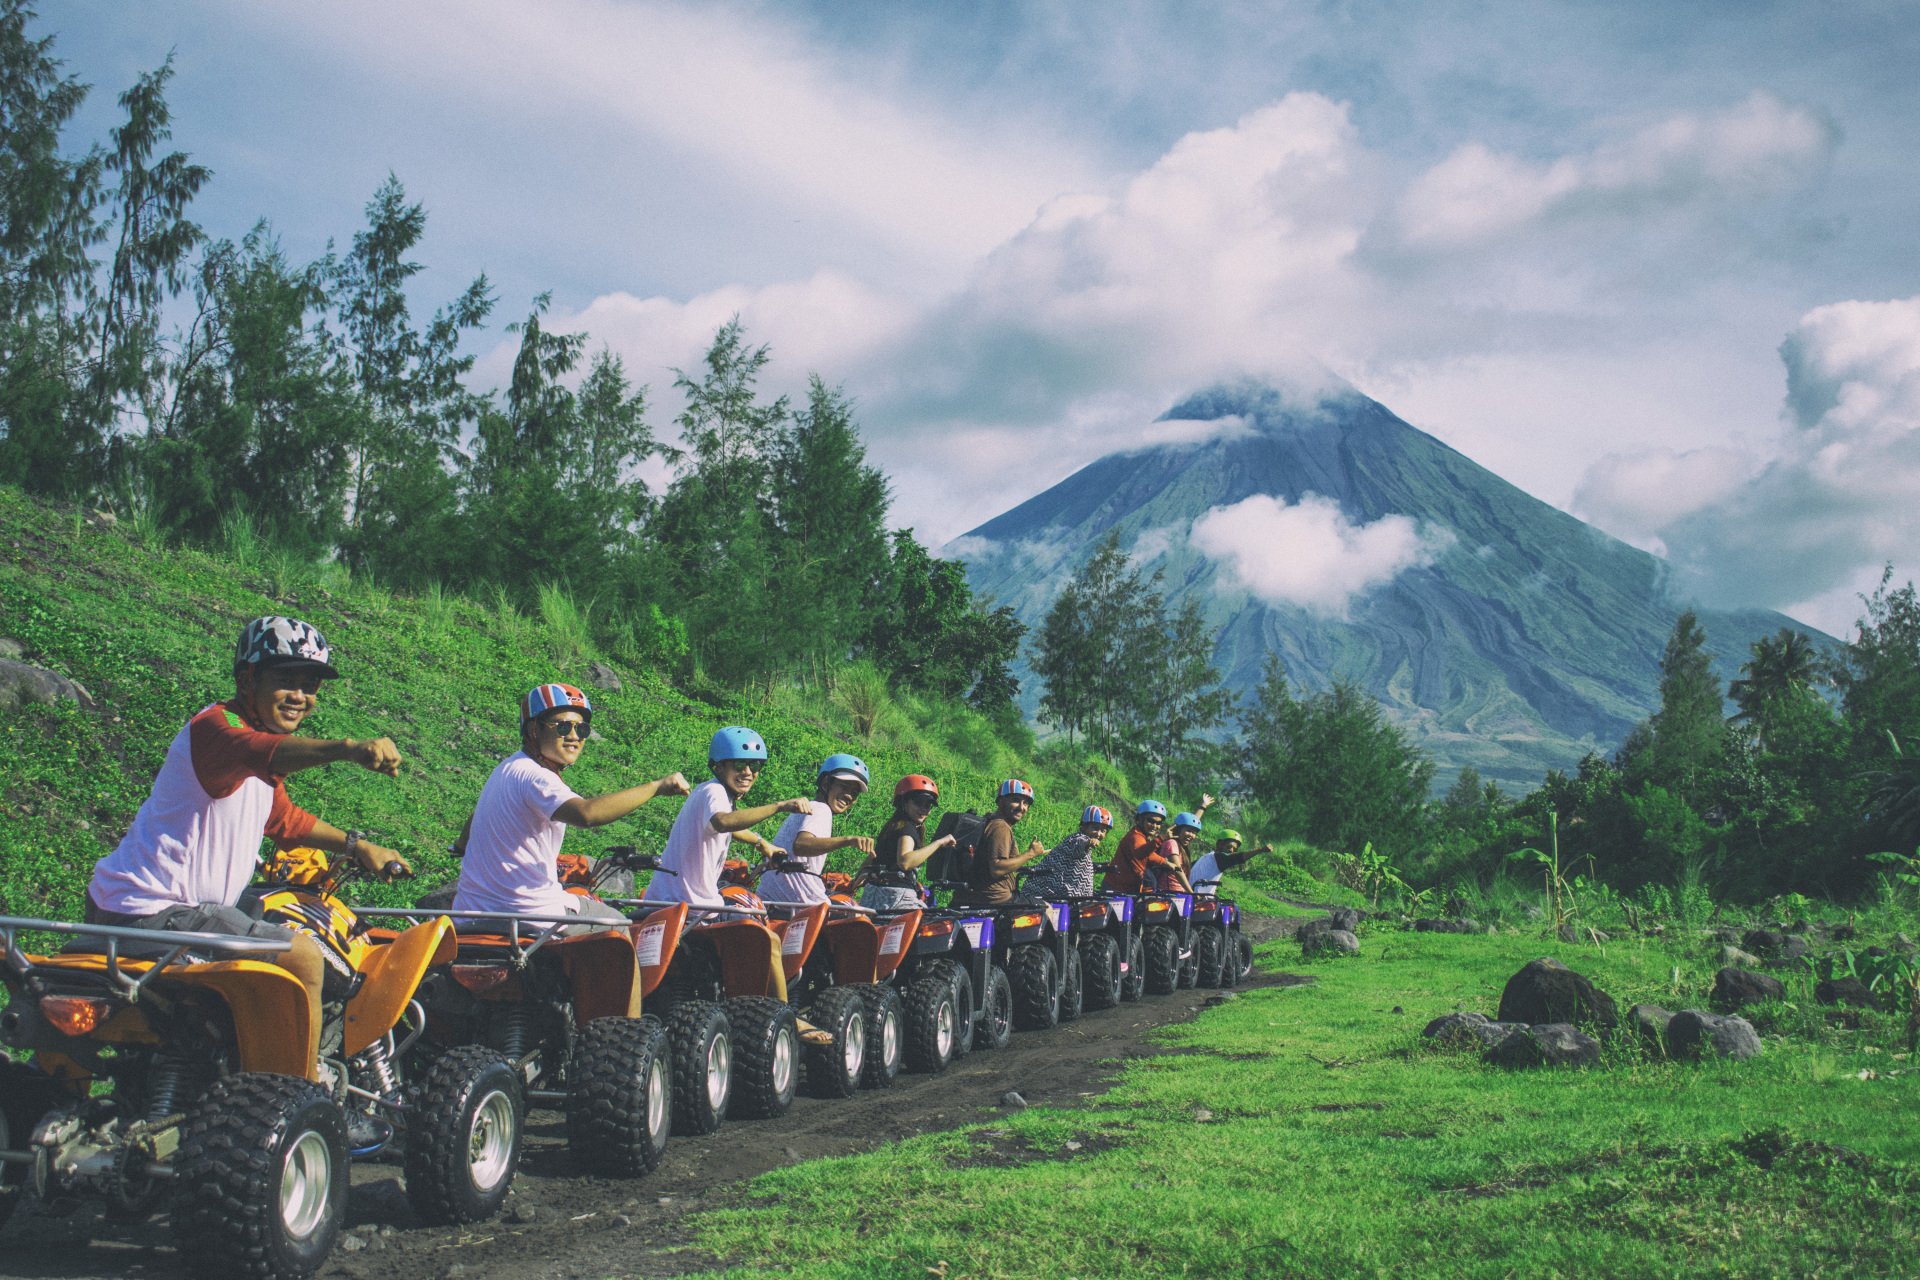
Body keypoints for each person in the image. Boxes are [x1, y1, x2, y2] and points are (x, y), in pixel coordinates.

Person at [85, 616, 412, 1081]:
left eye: (309, 685)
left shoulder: (253, 752)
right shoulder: (218, 729)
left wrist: (358, 846)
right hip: (157, 911)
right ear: (247, 679)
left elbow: (283, 820)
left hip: (142, 907)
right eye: (286, 680)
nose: (299, 696)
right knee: (303, 958)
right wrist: (347, 748)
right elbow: (263, 753)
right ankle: (299, 1093)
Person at [451, 683, 690, 929]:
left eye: (582, 729)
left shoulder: (506, 769)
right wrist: (656, 787)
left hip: (470, 911)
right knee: (618, 924)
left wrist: (460, 846)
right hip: (528, 911)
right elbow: (587, 814)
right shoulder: (536, 777)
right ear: (533, 730)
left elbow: (475, 818)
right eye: (563, 727)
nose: (574, 736)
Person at [756, 753, 876, 906]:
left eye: (854, 793)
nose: (849, 796)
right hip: (802, 903)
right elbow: (801, 845)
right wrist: (848, 840)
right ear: (826, 783)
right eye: (844, 787)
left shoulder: (805, 809)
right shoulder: (821, 809)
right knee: (858, 916)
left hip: (770, 899)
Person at [857, 774, 958, 912]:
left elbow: (872, 858)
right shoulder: (907, 828)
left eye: (928, 805)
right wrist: (939, 842)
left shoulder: (891, 826)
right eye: (918, 803)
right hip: (897, 898)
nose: (924, 809)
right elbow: (905, 862)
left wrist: (857, 880)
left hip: (871, 897)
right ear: (904, 802)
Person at [950, 778, 1047, 908]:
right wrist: (1030, 854)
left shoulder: (989, 821)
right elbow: (997, 868)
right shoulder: (1000, 827)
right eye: (1016, 800)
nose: (1021, 807)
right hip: (995, 898)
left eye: (1025, 803)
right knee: (1047, 908)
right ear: (1000, 801)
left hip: (968, 896)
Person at [1021, 805, 1114, 900]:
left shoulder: (1083, 845)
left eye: (1103, 831)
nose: (1098, 834)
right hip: (1043, 895)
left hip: (1054, 893)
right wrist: (1089, 842)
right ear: (1084, 826)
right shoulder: (1076, 839)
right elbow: (1079, 843)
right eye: (1095, 828)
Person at [1101, 800, 1179, 894]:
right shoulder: (1135, 836)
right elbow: (1140, 852)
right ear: (1140, 819)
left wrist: (1166, 863)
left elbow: (1149, 855)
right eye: (1151, 821)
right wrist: (1161, 838)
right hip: (1115, 888)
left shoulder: (1143, 836)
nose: (1154, 826)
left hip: (1127, 889)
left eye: (1158, 823)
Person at [1190, 829, 1273, 897]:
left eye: (1234, 849)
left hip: (1189, 895)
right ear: (1219, 844)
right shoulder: (1219, 858)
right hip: (1198, 899)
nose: (1231, 850)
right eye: (1229, 846)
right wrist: (1260, 850)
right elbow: (1238, 857)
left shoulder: (1205, 857)